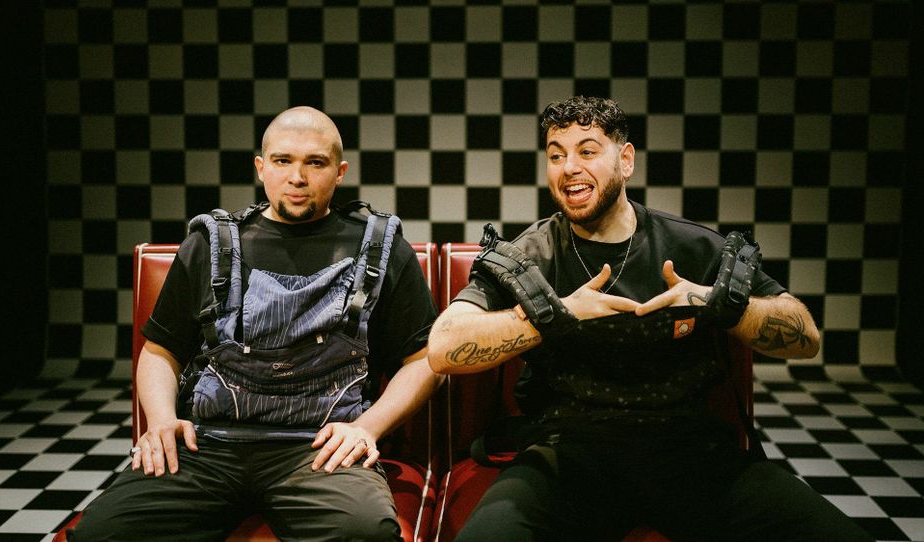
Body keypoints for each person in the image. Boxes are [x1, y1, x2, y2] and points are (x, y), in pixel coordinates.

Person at [427, 96, 872, 542]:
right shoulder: (530, 255)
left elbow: (805, 336)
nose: (569, 168)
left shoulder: (693, 248)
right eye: (556, 155)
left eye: (587, 151)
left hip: (690, 455)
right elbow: (444, 347)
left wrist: (715, 301)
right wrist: (553, 314)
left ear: (625, 160)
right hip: (569, 456)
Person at [71, 106, 442, 541]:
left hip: (319, 448)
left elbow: (425, 361)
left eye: (315, 163)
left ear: (339, 172)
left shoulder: (379, 248)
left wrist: (366, 427)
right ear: (261, 168)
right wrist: (161, 420)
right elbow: (160, 352)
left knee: (368, 533)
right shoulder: (211, 245)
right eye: (283, 161)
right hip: (208, 444)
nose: (297, 177)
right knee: (101, 533)